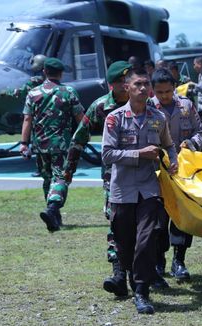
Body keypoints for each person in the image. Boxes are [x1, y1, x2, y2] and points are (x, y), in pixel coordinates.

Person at [101, 68, 178, 314]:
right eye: (138, 84)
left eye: (146, 84)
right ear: (126, 88)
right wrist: (139, 154)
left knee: (147, 240)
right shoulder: (114, 118)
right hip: (122, 190)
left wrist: (173, 160)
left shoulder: (158, 117)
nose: (143, 88)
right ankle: (128, 278)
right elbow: (107, 155)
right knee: (125, 243)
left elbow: (168, 144)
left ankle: (142, 292)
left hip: (149, 189)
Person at [63, 61, 133, 298]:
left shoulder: (145, 102)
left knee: (145, 225)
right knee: (116, 222)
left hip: (146, 175)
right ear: (113, 85)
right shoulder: (100, 106)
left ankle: (144, 273)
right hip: (113, 176)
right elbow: (79, 138)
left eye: (129, 80)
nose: (128, 85)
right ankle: (118, 275)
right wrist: (68, 170)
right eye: (123, 82)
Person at [150, 68, 202, 284]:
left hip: (183, 171)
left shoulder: (187, 106)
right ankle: (158, 259)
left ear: (175, 87)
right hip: (156, 171)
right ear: (153, 90)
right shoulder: (147, 108)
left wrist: (191, 143)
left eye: (168, 91)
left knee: (182, 217)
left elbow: (199, 131)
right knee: (159, 219)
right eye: (160, 92)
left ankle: (179, 261)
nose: (164, 96)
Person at [20, 57, 84, 232]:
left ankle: (55, 218)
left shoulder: (33, 93)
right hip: (61, 144)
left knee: (48, 179)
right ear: (61, 73)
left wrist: (24, 143)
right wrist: (83, 138)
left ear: (44, 72)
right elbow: (81, 118)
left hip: (40, 145)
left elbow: (27, 118)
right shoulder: (68, 92)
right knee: (61, 178)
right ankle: (52, 209)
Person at [3, 54, 46, 178]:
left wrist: (6, 92)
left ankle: (40, 169)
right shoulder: (50, 80)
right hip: (51, 115)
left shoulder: (34, 81)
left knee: (37, 143)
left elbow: (21, 92)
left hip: (37, 116)